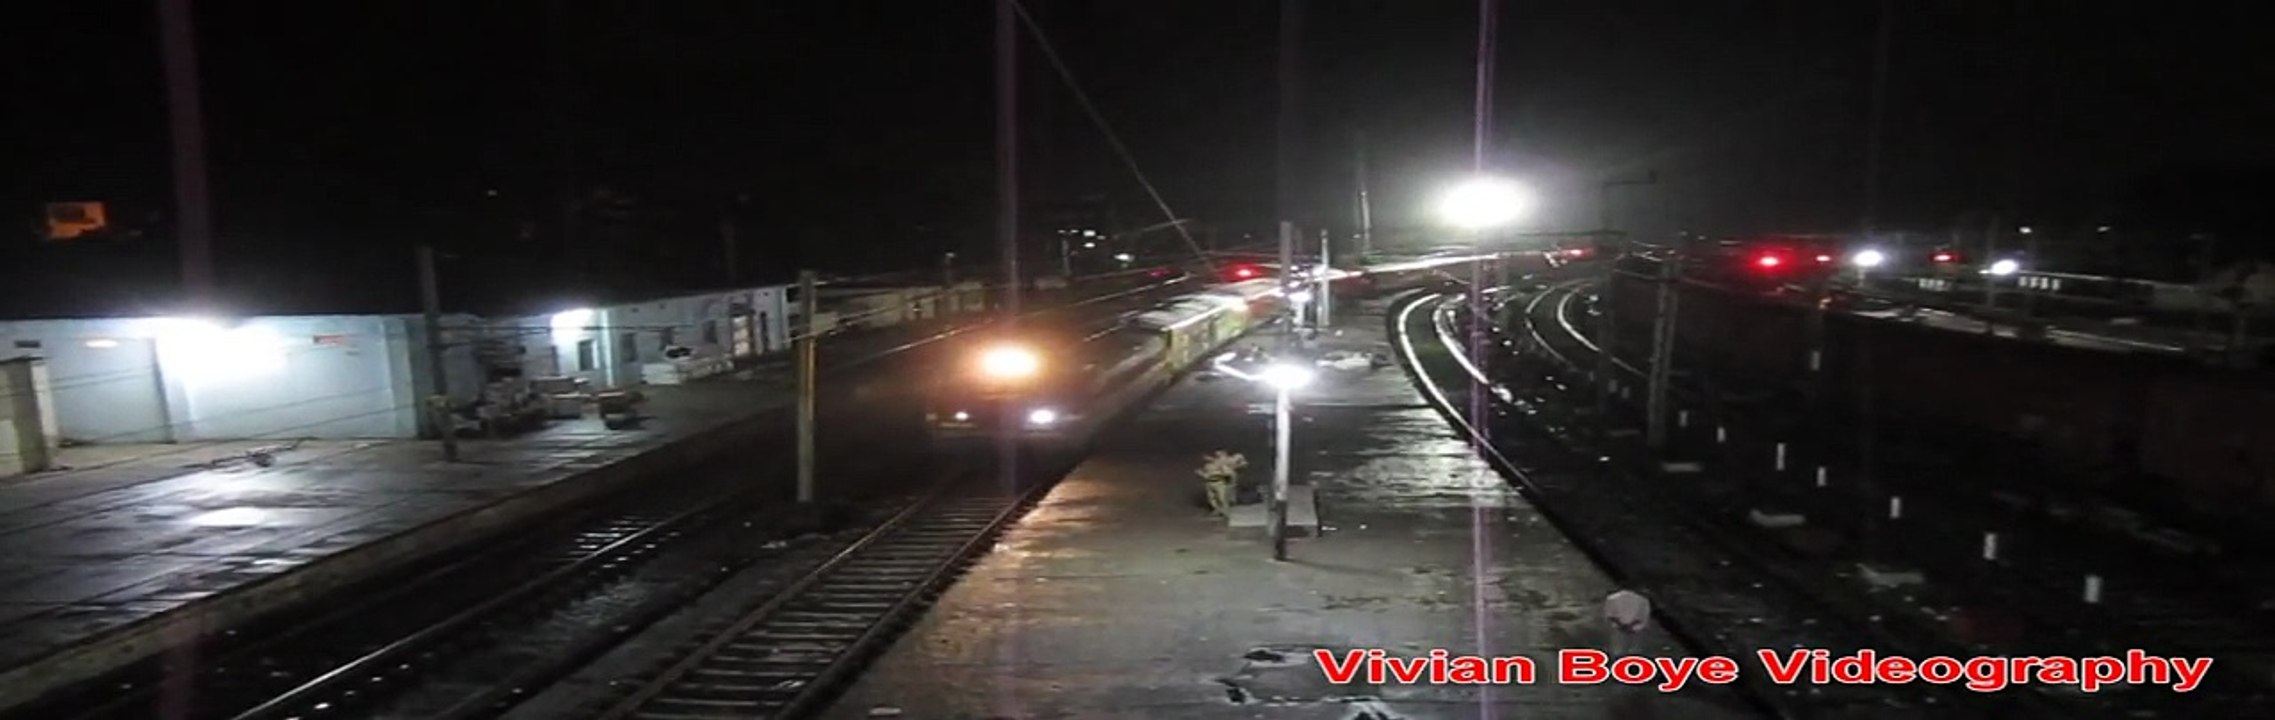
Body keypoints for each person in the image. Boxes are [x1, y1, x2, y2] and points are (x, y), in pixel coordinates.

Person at [1603, 588, 1651, 657]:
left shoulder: (1611, 598)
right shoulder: (1642, 599)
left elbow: (1609, 615)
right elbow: (1644, 616)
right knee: (1635, 651)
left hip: (1617, 629)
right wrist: (1631, 626)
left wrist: (1621, 625)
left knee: (1617, 651)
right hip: (1636, 629)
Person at [1198, 450, 1248, 516]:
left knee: (1222, 497)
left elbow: (1240, 465)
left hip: (1221, 482)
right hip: (1213, 482)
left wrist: (1236, 466)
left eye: (1221, 454)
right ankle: (1217, 509)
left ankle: (1225, 510)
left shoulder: (1228, 462)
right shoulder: (1212, 464)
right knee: (1212, 497)